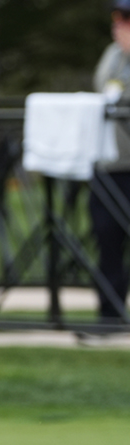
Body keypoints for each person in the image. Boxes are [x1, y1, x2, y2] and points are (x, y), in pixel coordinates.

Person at [91, 0, 130, 325]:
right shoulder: (112, 55)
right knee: (107, 234)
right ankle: (110, 312)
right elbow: (102, 91)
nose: (119, 25)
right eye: (118, 18)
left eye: (126, 19)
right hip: (110, 164)